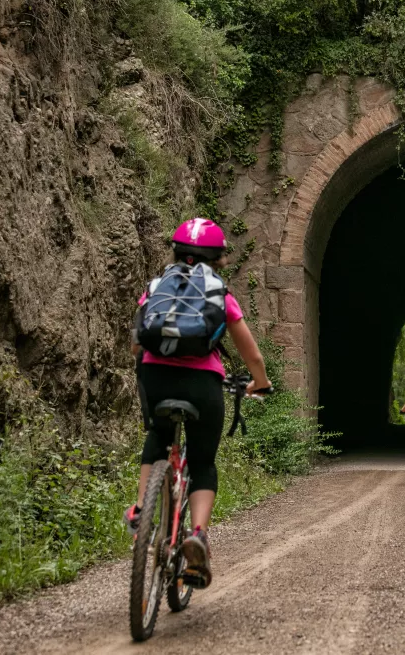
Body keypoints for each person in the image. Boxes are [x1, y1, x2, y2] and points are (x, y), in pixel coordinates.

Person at [124, 218, 272, 588]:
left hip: (155, 378)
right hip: (203, 382)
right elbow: (250, 353)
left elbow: (137, 341)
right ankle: (198, 535)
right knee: (203, 461)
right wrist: (260, 382)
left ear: (175, 250)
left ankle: (142, 511)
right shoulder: (219, 293)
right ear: (220, 258)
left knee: (157, 439)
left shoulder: (156, 287)